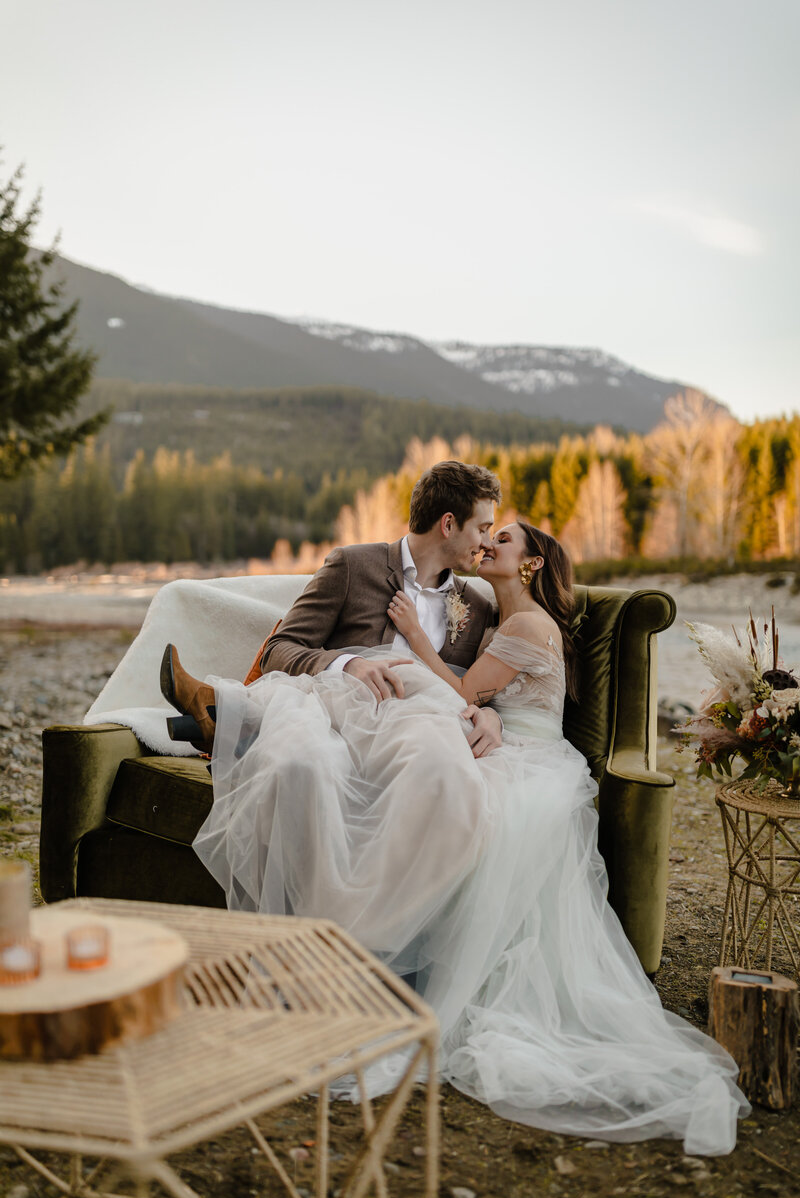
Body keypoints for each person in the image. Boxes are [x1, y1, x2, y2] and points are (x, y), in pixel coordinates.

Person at [164, 511, 749, 1156]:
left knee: (426, 750)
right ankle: (236, 726)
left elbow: (467, 692)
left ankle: (346, 929)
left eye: (502, 539)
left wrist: (414, 638)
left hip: (528, 761)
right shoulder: (486, 612)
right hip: (494, 744)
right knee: (402, 758)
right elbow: (476, 699)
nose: (487, 544)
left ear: (529, 563)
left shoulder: (523, 622)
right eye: (485, 532)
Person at [162, 460, 504, 756]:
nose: (487, 543)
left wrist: (492, 717)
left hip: (420, 743)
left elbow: (483, 690)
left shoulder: (476, 607)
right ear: (448, 525)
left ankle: (221, 717)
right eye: (483, 529)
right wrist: (347, 664)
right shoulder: (353, 567)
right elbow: (278, 650)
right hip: (340, 732)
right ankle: (225, 717)